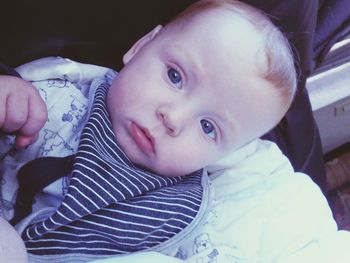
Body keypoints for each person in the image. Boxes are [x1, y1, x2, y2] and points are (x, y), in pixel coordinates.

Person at [0, 0, 349, 262]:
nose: (173, 118)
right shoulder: (56, 95)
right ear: (141, 46)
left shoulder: (188, 213)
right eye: (175, 76)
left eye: (208, 127)